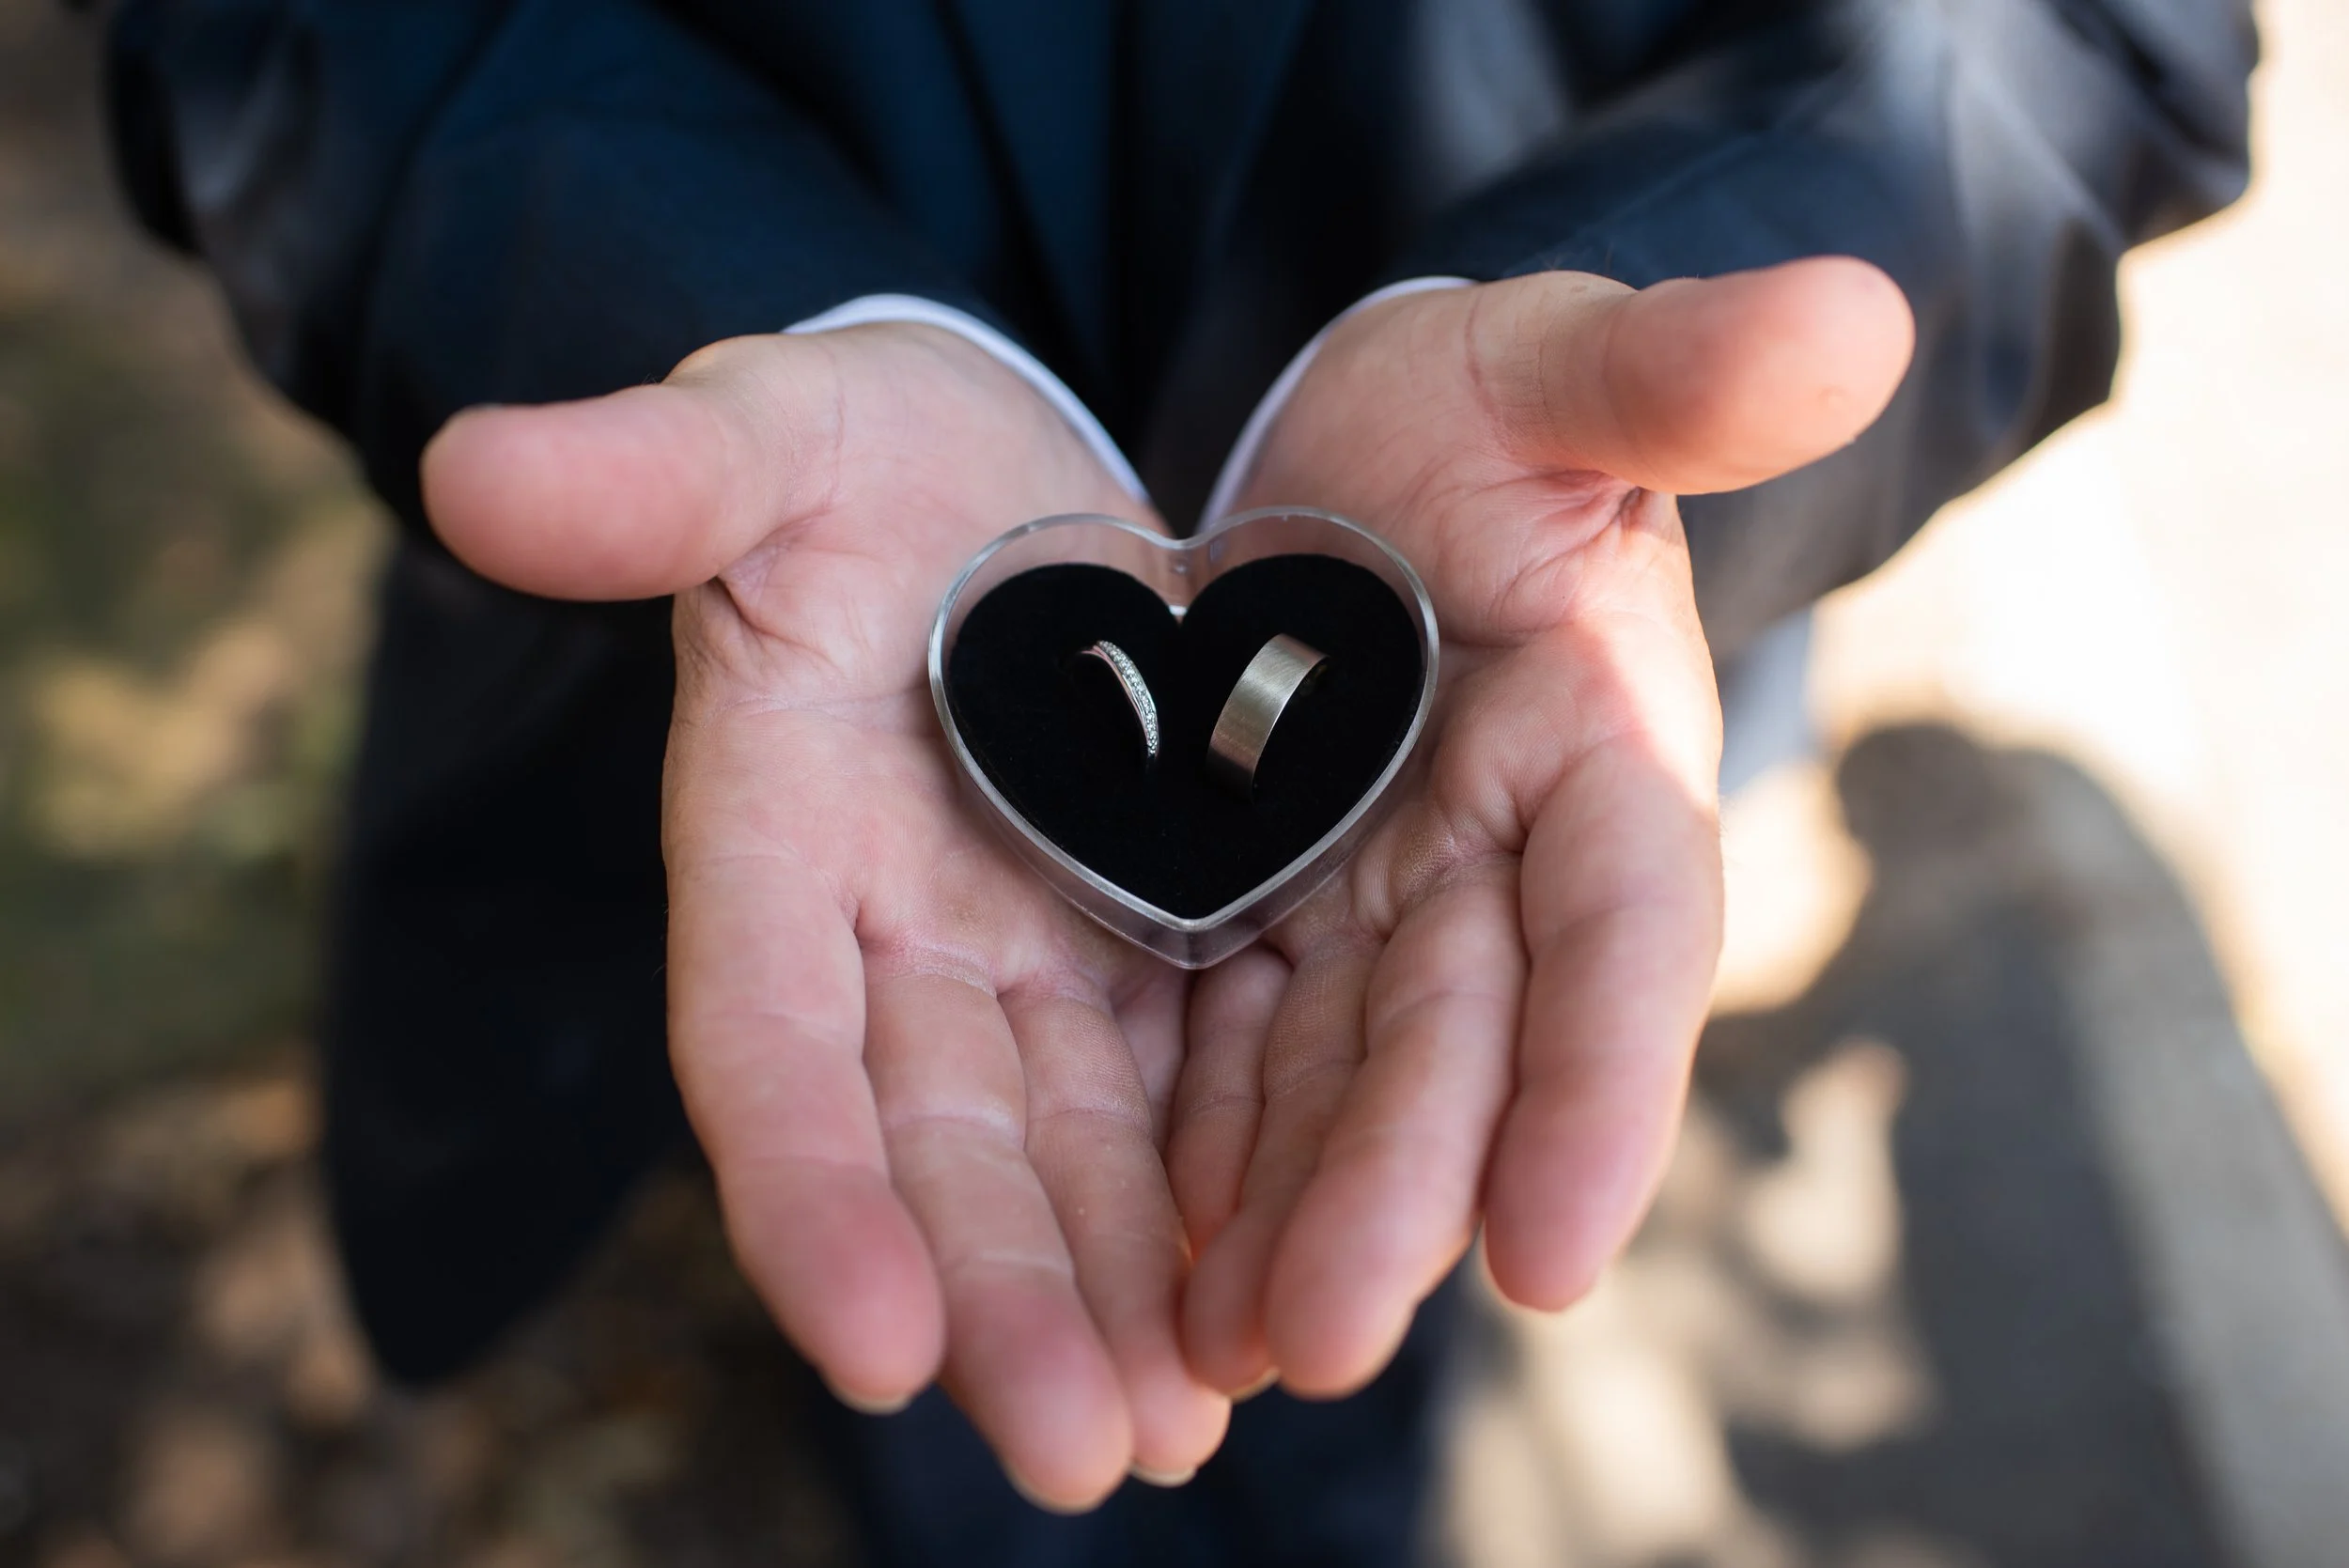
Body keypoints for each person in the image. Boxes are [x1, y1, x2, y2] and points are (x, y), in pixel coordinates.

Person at [103, 0, 2252, 1560]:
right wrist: (719, 310)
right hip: (760, 794)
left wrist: (1636, 360)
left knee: (1361, 1268)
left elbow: (2091, 40)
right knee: (948, 1347)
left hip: (1469, 786)